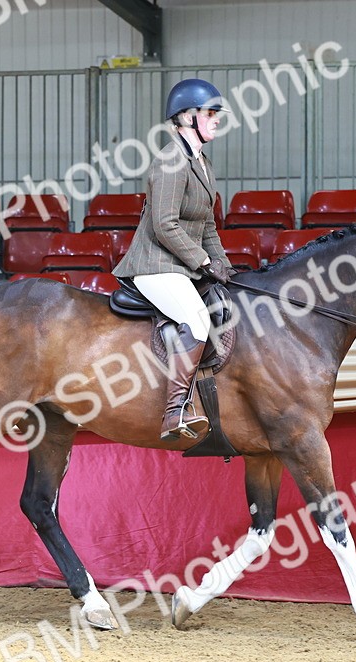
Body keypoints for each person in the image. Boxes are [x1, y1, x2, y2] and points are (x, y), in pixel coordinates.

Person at [113, 78, 234, 441]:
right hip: (156, 265)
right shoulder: (171, 160)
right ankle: (174, 411)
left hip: (182, 265)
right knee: (197, 322)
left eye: (216, 113)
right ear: (185, 117)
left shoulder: (203, 162)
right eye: (210, 113)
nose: (216, 120)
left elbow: (208, 222)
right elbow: (164, 225)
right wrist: (203, 262)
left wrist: (223, 264)